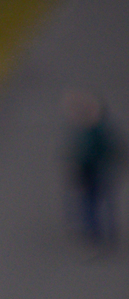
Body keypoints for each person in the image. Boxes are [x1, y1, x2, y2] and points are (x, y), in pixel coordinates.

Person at [63, 91, 122, 252]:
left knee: (93, 203)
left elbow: (110, 150)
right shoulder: (90, 130)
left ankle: (98, 236)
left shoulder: (97, 132)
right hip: (90, 172)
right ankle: (97, 233)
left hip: (97, 171)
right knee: (91, 203)